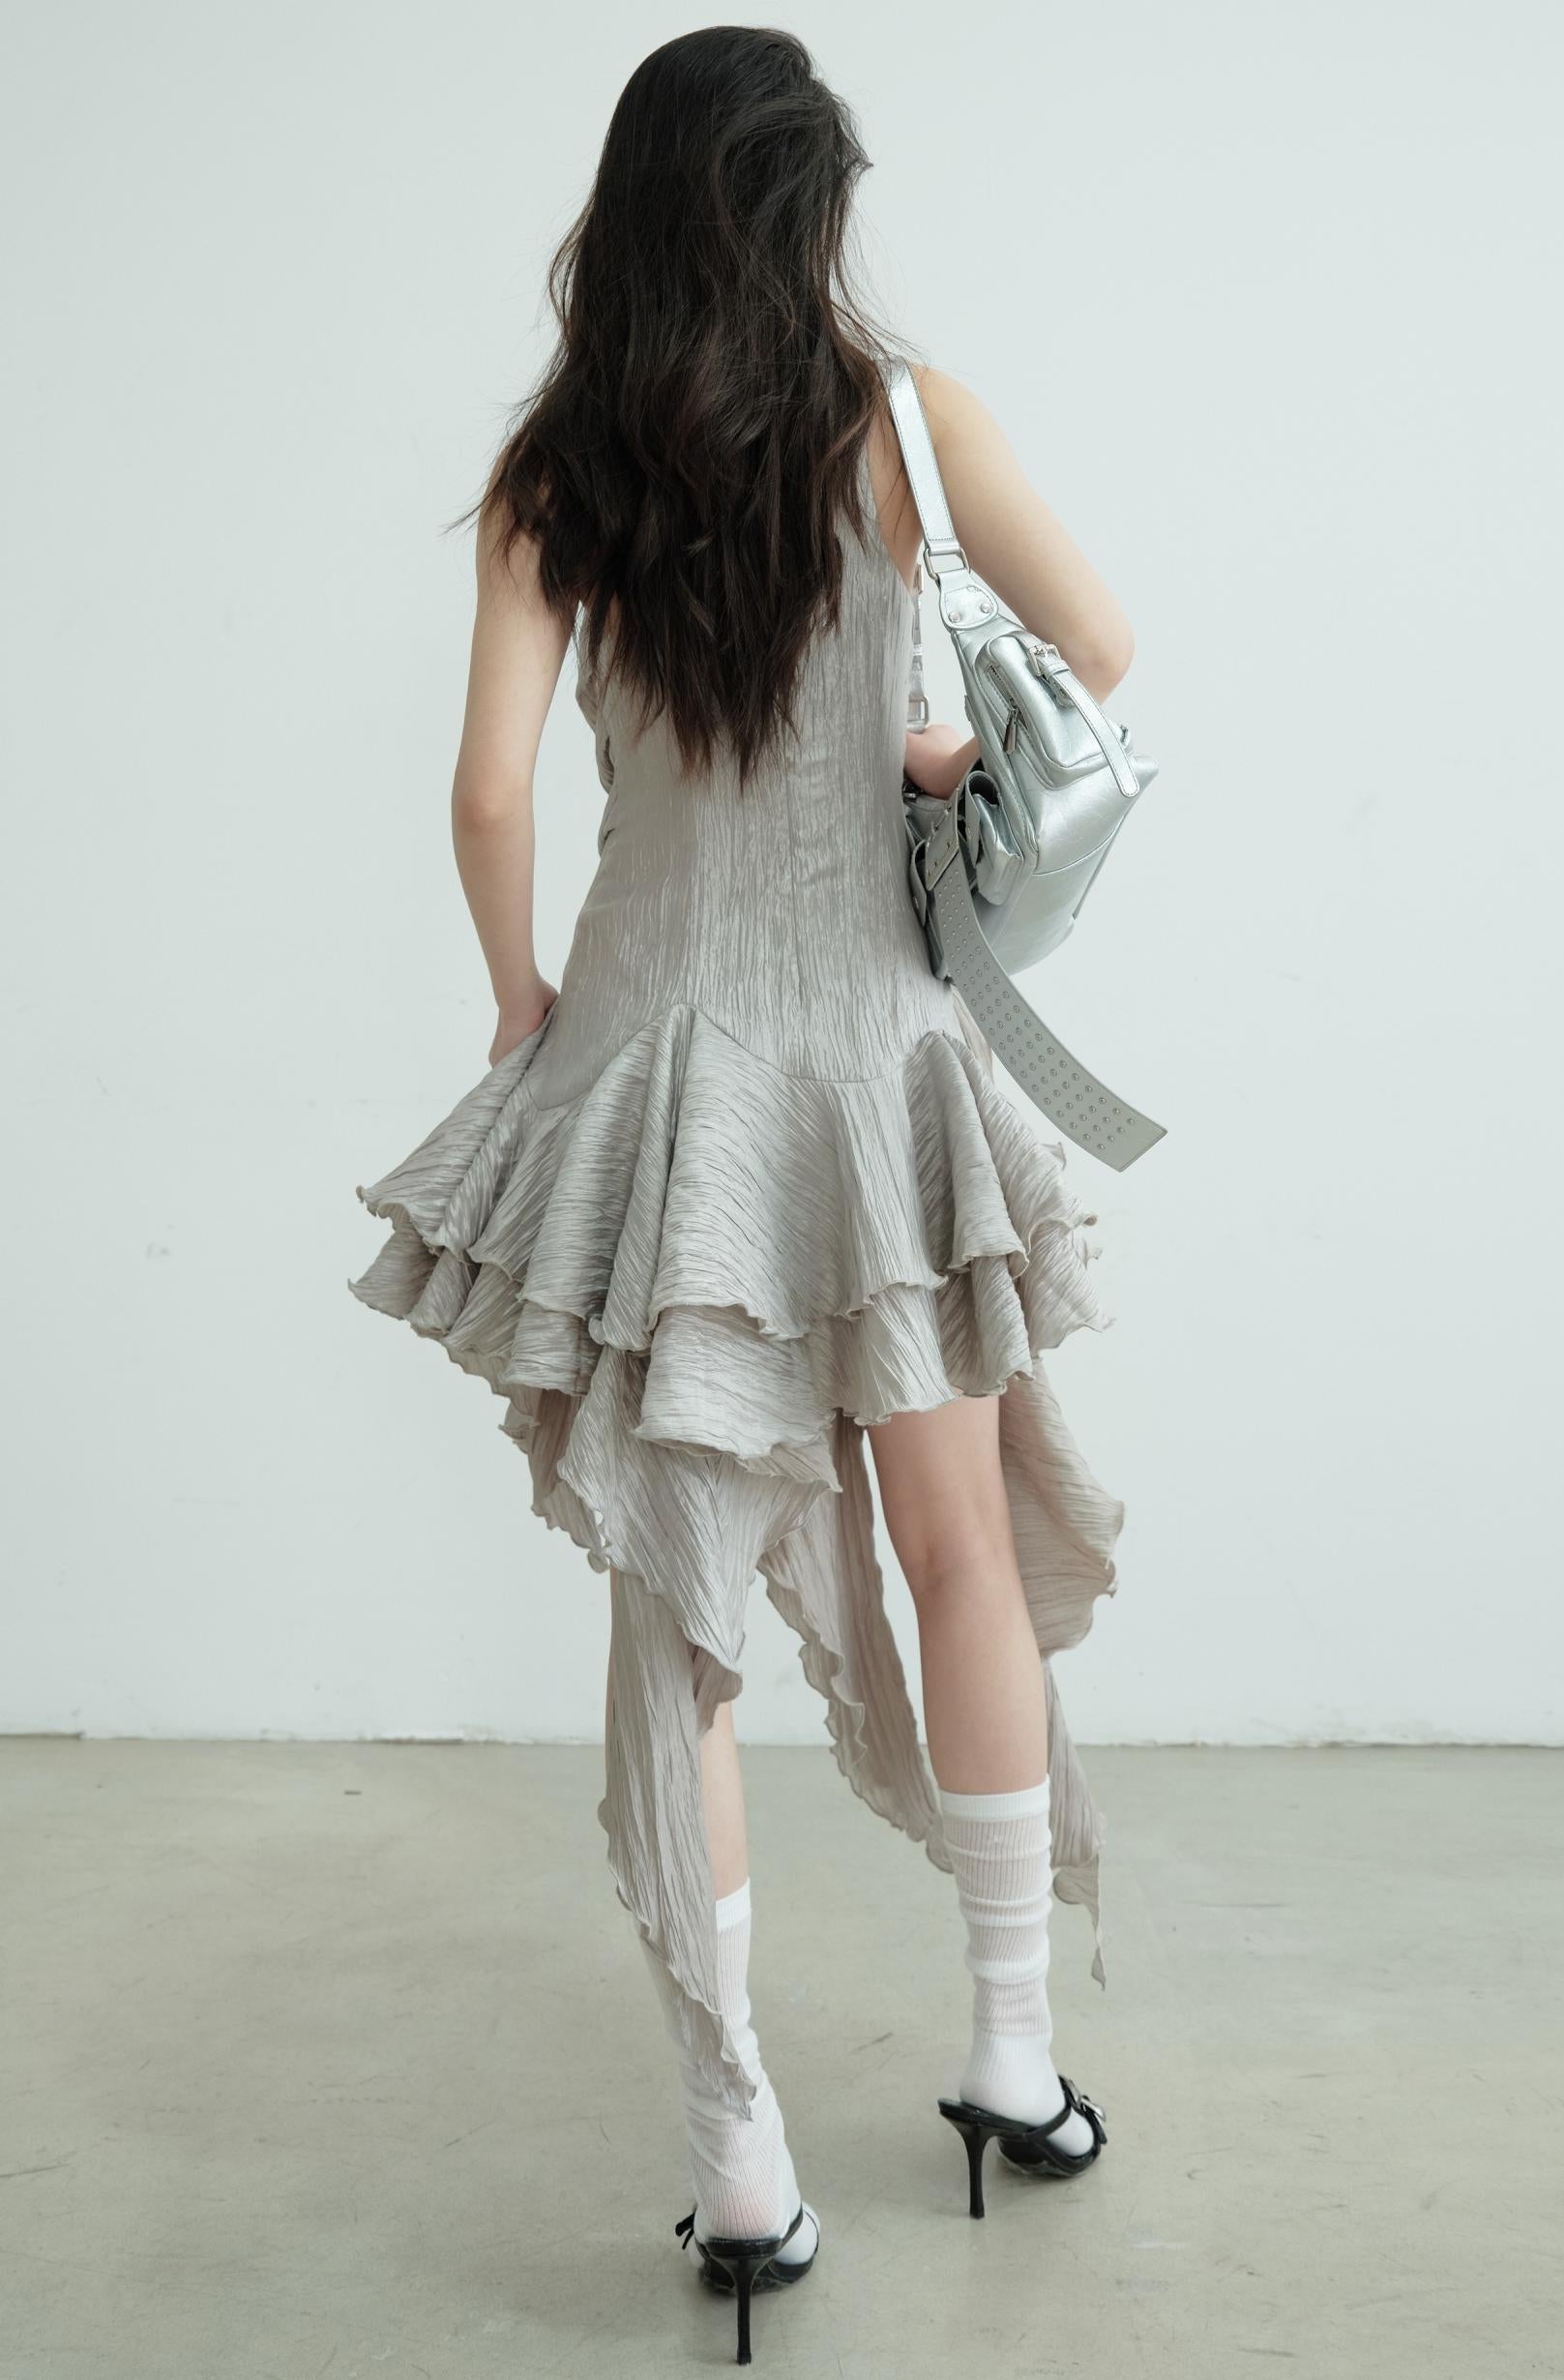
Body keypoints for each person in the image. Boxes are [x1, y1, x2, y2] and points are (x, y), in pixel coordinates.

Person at [350, 26, 1134, 2365]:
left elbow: (491, 791)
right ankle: (1011, 2059)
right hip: (881, 1068)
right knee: (960, 1544)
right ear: (808, 207)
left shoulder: (554, 470)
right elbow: (1098, 654)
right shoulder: (908, 427)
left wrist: (517, 996)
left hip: (658, 1080)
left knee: (677, 1622)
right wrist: (932, 743)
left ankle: (739, 2162)